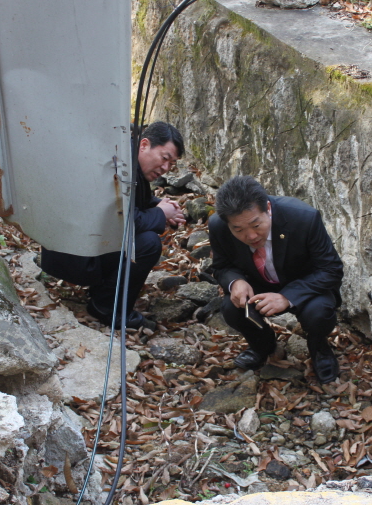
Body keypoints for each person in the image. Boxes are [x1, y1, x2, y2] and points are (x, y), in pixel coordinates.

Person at [40, 122, 186, 329]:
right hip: (74, 256)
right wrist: (161, 213)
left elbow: (130, 201)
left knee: (144, 235)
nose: (165, 169)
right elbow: (122, 219)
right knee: (147, 243)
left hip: (78, 247)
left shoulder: (126, 156)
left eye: (171, 164)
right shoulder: (117, 165)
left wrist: (160, 205)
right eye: (164, 159)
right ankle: (106, 307)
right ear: (144, 145)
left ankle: (103, 291)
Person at [209, 176, 344, 383]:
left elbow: (331, 269)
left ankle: (319, 349)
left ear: (268, 209)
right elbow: (221, 266)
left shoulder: (304, 218)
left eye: (256, 225)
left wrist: (287, 297)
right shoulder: (218, 226)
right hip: (257, 284)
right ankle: (263, 346)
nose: (251, 236)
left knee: (319, 313)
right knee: (230, 307)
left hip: (304, 284)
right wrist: (235, 281)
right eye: (238, 230)